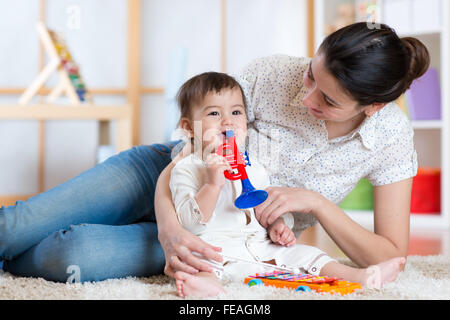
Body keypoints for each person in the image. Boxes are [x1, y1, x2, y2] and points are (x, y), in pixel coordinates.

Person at [0, 22, 428, 284]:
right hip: (166, 174)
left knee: (72, 255)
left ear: (371, 107)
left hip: (226, 236)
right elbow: (187, 148)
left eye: (328, 101)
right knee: (19, 224)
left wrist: (314, 203)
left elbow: (391, 255)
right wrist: (168, 229)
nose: (306, 96)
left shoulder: (389, 137)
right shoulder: (272, 73)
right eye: (310, 76)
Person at [168, 71, 405, 298]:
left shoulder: (254, 166)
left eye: (237, 112)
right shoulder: (186, 168)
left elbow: (264, 207)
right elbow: (188, 224)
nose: (228, 122)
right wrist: (211, 186)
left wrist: (277, 226)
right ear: (189, 127)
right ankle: (207, 286)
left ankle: (361, 276)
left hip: (259, 246)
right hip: (215, 248)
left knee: (307, 254)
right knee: (198, 262)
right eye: (214, 114)